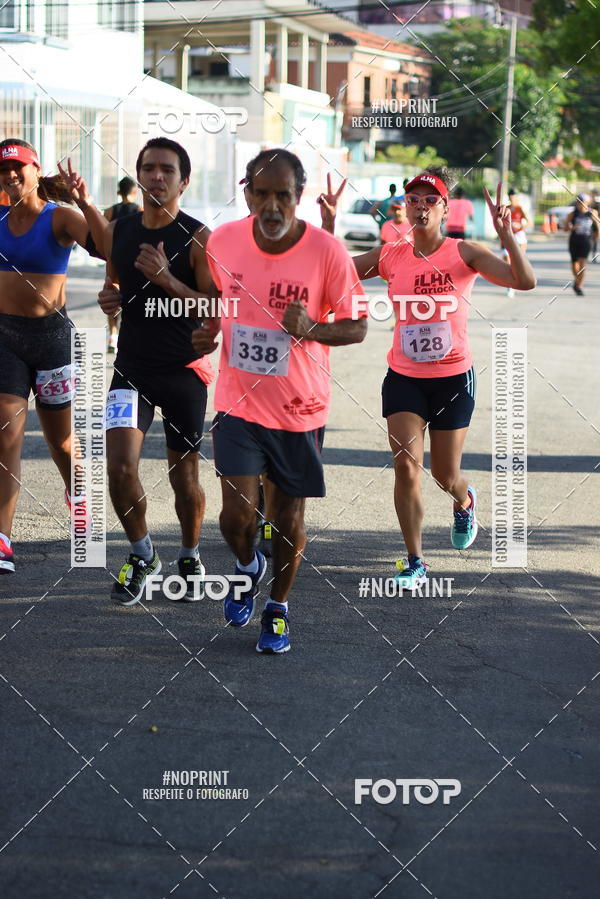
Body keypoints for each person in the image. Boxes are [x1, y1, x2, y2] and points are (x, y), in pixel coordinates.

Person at [191, 149, 367, 654]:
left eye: (283, 195)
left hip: (298, 408)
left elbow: (357, 326)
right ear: (247, 193)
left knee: (289, 519)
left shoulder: (327, 252)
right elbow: (218, 306)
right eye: (262, 194)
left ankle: (278, 607)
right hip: (237, 403)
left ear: (299, 197)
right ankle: (249, 567)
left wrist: (310, 328)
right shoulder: (222, 241)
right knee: (234, 518)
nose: (272, 206)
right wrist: (207, 332)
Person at [325, 167, 535, 588]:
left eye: (430, 200)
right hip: (404, 376)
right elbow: (339, 272)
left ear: (445, 209)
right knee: (406, 466)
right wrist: (329, 231)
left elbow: (524, 281)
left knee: (444, 474)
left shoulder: (464, 253)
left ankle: (463, 499)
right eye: (414, 200)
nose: (420, 207)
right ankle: (415, 561)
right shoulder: (392, 255)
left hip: (453, 378)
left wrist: (506, 233)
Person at [97, 137, 213, 605]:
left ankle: (189, 553)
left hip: (184, 372)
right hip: (132, 370)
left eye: (167, 169)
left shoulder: (199, 237)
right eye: (149, 168)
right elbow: (115, 287)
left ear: (184, 181)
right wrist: (111, 301)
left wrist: (167, 279)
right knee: (120, 467)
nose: (157, 176)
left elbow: (214, 307)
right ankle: (143, 554)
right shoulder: (119, 229)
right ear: (139, 175)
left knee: (184, 479)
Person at [0, 139, 108, 574]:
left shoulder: (59, 216)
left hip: (50, 339)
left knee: (61, 441)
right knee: (6, 435)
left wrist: (86, 203)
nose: (10, 176)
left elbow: (104, 247)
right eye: (3, 169)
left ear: (35, 169)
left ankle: (77, 493)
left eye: (17, 168)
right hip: (4, 338)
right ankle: (3, 539)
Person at [104, 176, 141, 352]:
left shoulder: (110, 212)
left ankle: (113, 335)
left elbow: (102, 237)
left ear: (119, 192)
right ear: (134, 191)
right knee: (133, 300)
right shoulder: (140, 211)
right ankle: (132, 338)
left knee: (112, 298)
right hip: (134, 263)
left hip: (114, 260)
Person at [564, 193, 599, 296]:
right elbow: (565, 228)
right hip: (574, 241)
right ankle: (577, 280)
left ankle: (579, 286)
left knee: (582, 264)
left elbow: (598, 225)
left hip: (586, 242)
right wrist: (571, 227)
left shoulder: (592, 213)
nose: (580, 204)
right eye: (578, 202)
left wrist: (597, 230)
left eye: (582, 201)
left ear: (587, 202)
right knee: (575, 265)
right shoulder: (572, 214)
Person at [504, 189, 530, 297]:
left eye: (514, 196)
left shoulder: (520, 209)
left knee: (518, 261)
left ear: (517, 197)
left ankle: (519, 280)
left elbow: (529, 222)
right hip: (508, 236)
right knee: (507, 261)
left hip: (519, 236)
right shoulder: (506, 208)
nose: (512, 198)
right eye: (511, 196)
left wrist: (520, 226)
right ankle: (510, 285)